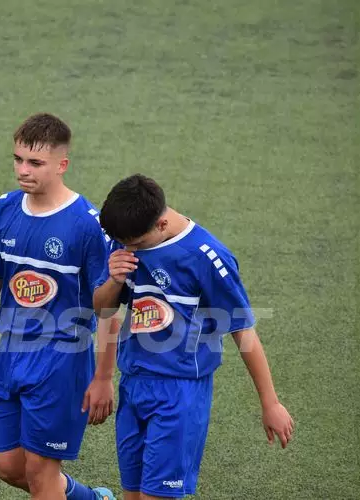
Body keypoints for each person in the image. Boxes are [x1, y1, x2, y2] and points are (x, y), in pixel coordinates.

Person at [93, 174, 294, 499]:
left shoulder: (206, 257)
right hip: (133, 385)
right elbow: (102, 308)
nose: (129, 250)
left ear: (161, 224)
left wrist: (270, 403)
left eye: (136, 244)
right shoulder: (124, 237)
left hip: (179, 394)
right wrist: (114, 281)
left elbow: (243, 331)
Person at [0, 113, 117, 500]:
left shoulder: (89, 225)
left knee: (41, 474)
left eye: (35, 163)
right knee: (10, 468)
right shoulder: (5, 209)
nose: (23, 170)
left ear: (62, 164)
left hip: (62, 359)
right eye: (18, 159)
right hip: (10, 353)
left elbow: (109, 309)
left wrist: (104, 377)